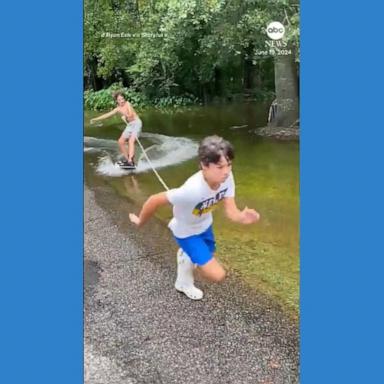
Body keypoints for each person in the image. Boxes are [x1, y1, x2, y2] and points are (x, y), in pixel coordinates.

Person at [129, 135, 260, 300]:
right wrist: (141, 221)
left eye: (229, 165)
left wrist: (242, 217)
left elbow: (231, 210)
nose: (226, 171)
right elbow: (154, 200)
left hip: (205, 225)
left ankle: (186, 255)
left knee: (207, 255)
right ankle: (183, 283)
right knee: (217, 275)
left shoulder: (227, 179)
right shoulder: (191, 191)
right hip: (186, 231)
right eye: (220, 167)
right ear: (204, 165)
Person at [90, 91, 142, 167]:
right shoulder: (118, 109)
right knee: (120, 141)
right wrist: (96, 119)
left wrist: (125, 116)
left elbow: (130, 115)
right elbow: (107, 115)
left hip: (136, 123)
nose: (122, 101)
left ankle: (131, 161)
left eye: (123, 99)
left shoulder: (128, 104)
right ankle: (128, 160)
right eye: (120, 100)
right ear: (117, 101)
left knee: (131, 141)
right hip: (130, 125)